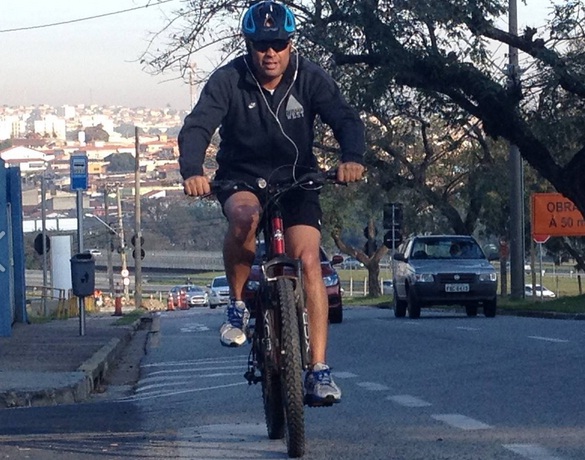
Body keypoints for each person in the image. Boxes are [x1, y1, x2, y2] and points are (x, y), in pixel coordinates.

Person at [178, 0, 365, 406]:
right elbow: (197, 126)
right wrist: (192, 169)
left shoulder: (310, 77)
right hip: (241, 176)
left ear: (290, 44)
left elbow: (345, 118)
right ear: (248, 44)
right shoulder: (228, 80)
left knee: (310, 260)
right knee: (244, 216)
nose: (271, 53)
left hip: (298, 179)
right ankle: (238, 304)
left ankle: (318, 369)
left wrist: (352, 157)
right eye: (262, 44)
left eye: (279, 44)